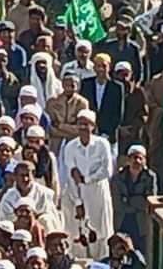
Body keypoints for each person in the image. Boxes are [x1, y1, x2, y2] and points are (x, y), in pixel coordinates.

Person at [61, 109, 114, 260]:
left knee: (102, 230)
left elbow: (107, 170)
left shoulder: (102, 144)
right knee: (81, 231)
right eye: (80, 124)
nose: (83, 127)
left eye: (86, 124)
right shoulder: (70, 146)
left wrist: (88, 179)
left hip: (98, 192)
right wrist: (78, 201)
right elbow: (71, 175)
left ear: (93, 126)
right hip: (78, 192)